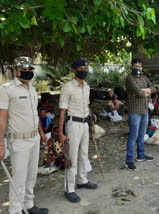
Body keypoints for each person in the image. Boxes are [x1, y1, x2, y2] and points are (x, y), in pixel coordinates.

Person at [0, 56, 48, 214]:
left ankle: (29, 205)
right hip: (18, 141)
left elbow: (33, 114)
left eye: (30, 70)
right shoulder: (6, 89)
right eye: (24, 70)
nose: (28, 73)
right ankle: (16, 210)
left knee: (32, 176)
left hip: (34, 138)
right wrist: (0, 145)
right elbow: (2, 119)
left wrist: (41, 132)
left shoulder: (32, 88)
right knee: (18, 179)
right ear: (15, 71)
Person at [58, 59, 98, 203]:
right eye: (81, 68)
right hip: (72, 125)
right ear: (74, 70)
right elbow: (62, 110)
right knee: (72, 157)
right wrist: (61, 132)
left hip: (84, 123)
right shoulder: (67, 88)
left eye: (86, 68)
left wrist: (91, 121)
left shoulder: (86, 86)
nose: (84, 70)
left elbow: (86, 106)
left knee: (83, 154)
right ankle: (69, 189)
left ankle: (82, 180)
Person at [124, 58, 156, 170]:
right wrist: (145, 92)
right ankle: (128, 161)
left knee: (142, 135)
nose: (138, 68)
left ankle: (141, 155)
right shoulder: (129, 78)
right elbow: (138, 92)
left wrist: (144, 91)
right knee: (133, 136)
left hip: (144, 111)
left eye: (140, 66)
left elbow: (154, 88)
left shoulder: (144, 77)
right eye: (136, 66)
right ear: (131, 67)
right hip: (134, 111)